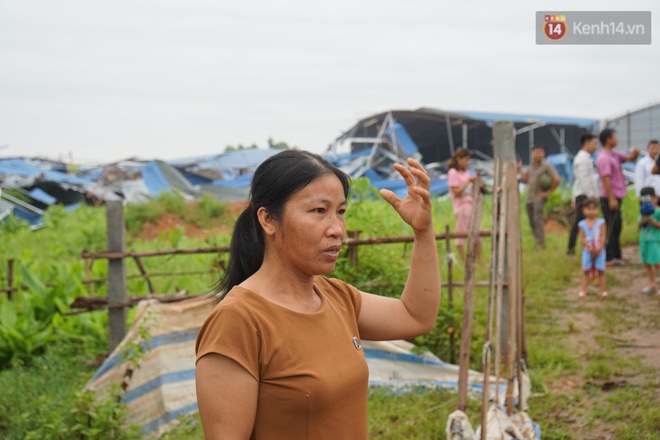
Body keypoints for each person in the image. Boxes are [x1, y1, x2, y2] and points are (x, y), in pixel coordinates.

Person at [195, 150, 441, 439]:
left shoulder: (337, 297)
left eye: (341, 212)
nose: (337, 229)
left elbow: (416, 316)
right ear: (268, 220)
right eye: (319, 211)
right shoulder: (238, 321)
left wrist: (423, 232)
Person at [596, 128, 640, 266]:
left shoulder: (614, 154)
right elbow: (606, 178)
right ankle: (609, 258)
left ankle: (617, 256)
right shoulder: (604, 158)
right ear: (608, 139)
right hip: (610, 197)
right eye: (615, 136)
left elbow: (629, 158)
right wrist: (611, 198)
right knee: (611, 228)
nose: (617, 138)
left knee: (617, 226)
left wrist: (635, 154)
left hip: (615, 197)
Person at [519, 145, 561, 249]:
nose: (538, 154)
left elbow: (556, 179)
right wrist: (519, 169)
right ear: (532, 154)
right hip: (529, 197)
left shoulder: (547, 166)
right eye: (536, 152)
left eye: (540, 152)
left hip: (539, 197)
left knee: (537, 219)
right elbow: (526, 179)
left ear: (543, 154)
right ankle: (538, 240)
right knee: (531, 221)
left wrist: (547, 193)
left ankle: (541, 244)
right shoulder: (531, 166)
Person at [447, 147, 482, 262]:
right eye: (465, 160)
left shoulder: (466, 172)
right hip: (461, 206)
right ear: (458, 159)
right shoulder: (453, 173)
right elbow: (456, 192)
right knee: (461, 235)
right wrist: (468, 181)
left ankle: (479, 260)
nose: (467, 163)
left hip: (471, 205)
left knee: (478, 233)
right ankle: (465, 261)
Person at [568, 134, 600, 256]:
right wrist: (591, 197)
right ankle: (571, 250)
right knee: (579, 223)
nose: (596, 146)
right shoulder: (582, 159)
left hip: (584, 194)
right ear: (586, 143)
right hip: (584, 196)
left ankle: (587, 247)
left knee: (584, 223)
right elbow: (583, 179)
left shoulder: (586, 158)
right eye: (594, 143)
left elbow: (577, 181)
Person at [577, 198, 607, 299]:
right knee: (586, 271)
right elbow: (582, 238)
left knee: (601, 271)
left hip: (600, 250)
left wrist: (600, 247)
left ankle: (602, 291)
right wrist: (589, 247)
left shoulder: (601, 222)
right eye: (588, 209)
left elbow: (603, 236)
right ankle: (583, 291)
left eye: (594, 208)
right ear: (584, 210)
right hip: (587, 250)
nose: (591, 211)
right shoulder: (581, 224)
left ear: (597, 210)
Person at [638, 186, 660, 295]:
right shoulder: (642, 212)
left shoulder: (658, 212)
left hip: (655, 240)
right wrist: (643, 219)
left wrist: (651, 220)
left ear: (655, 198)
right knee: (647, 263)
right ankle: (652, 284)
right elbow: (638, 225)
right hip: (644, 240)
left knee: (658, 263)